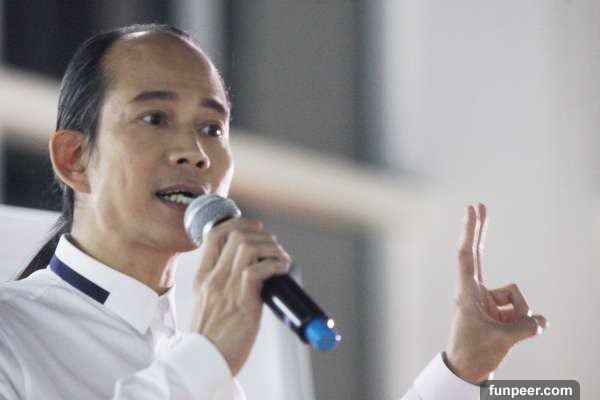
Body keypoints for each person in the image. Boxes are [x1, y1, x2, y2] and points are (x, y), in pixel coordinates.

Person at [0, 24, 547, 400]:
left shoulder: (228, 337)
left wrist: (462, 368)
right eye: (155, 119)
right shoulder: (13, 336)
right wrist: (205, 357)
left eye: (212, 127)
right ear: (74, 159)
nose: (195, 151)